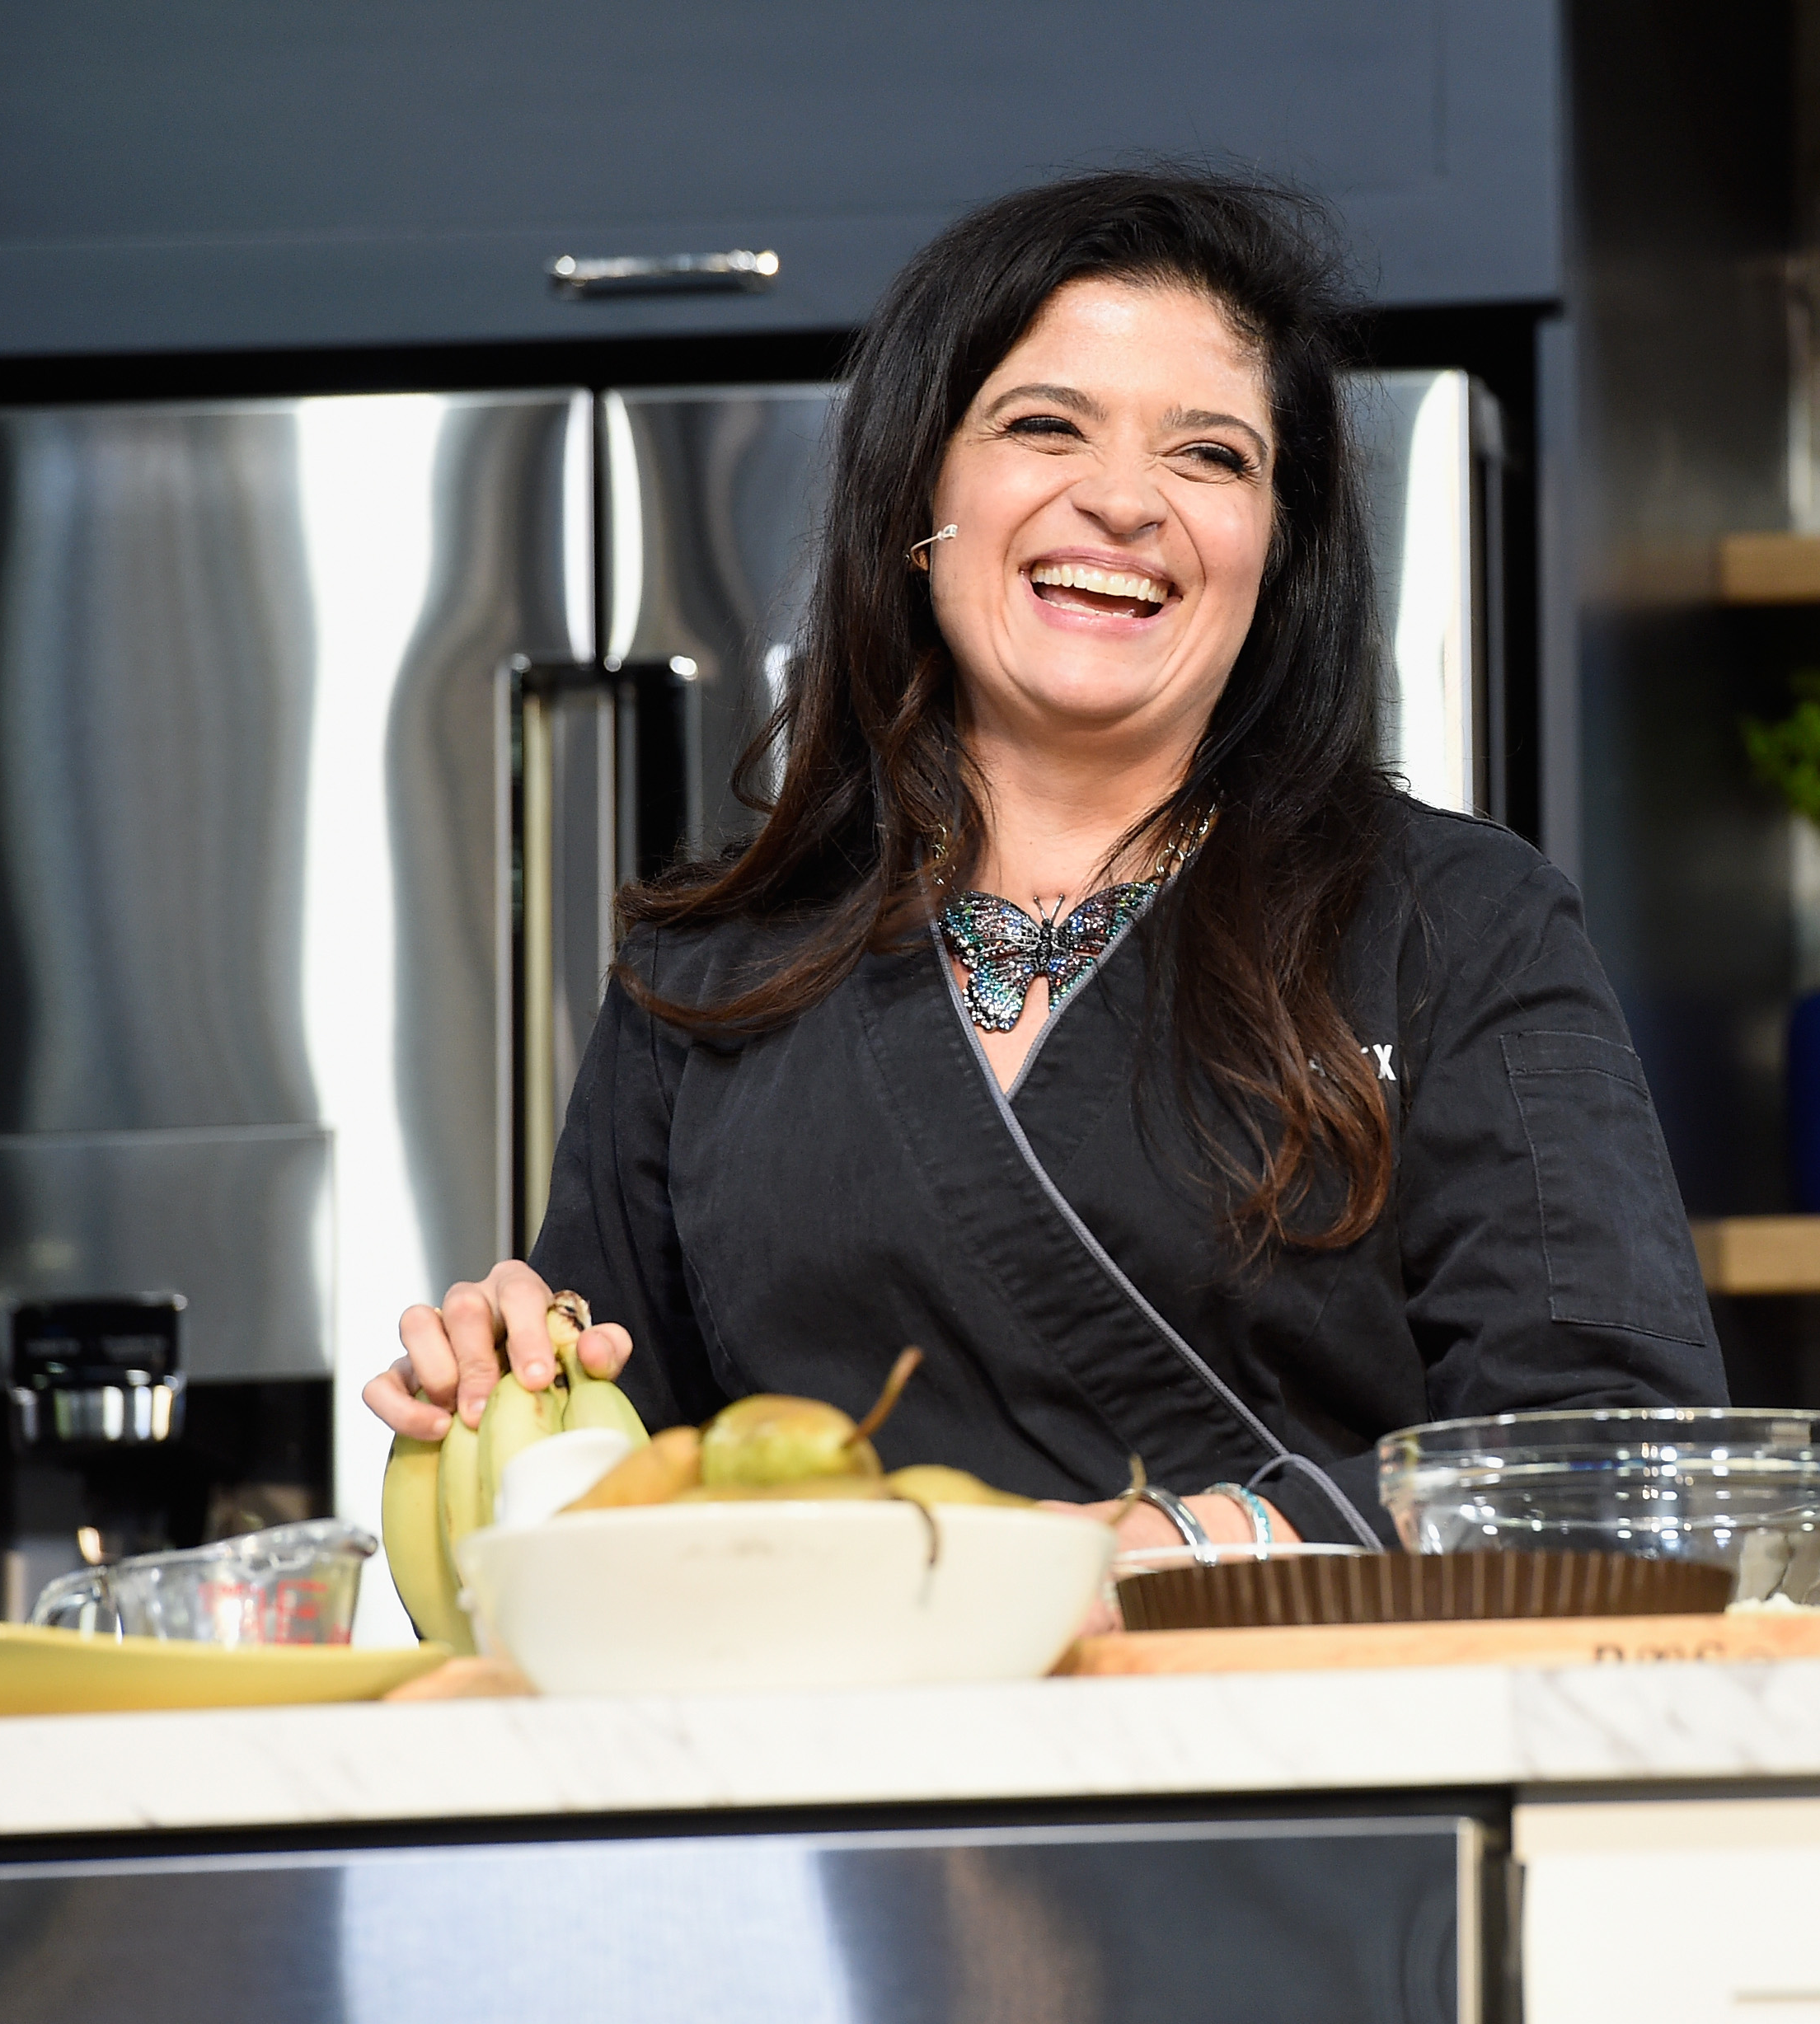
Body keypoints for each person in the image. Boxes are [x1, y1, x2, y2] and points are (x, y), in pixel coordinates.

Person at [364, 169, 1724, 1551]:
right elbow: (593, 1548)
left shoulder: (1460, 927)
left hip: (1313, 1759)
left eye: (1211, 457)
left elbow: (1611, 1465)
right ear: (919, 500)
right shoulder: (704, 974)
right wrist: (507, 1393)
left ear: (1276, 547)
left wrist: (1201, 1547)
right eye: (1043, 425)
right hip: (843, 1766)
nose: (1126, 501)